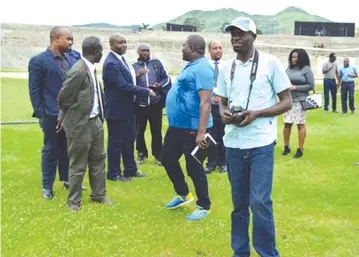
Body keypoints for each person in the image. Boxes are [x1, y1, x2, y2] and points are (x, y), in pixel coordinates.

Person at [217, 17, 292, 256]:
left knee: (259, 202)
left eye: (241, 33)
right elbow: (222, 101)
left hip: (260, 144)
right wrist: (224, 114)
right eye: (232, 33)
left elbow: (287, 102)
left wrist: (258, 113)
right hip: (234, 144)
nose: (235, 37)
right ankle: (240, 252)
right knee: (239, 204)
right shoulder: (225, 67)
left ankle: (267, 252)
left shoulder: (270, 63)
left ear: (253, 36)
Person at [161, 35, 214, 221]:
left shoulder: (204, 69)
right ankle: (183, 194)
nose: (181, 48)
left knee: (194, 168)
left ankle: (204, 205)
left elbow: (206, 102)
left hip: (193, 129)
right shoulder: (191, 66)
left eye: (183, 46)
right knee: (167, 159)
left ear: (192, 48)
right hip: (177, 127)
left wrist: (201, 132)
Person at [58, 36, 113, 212]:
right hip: (80, 125)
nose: (102, 54)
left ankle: (99, 194)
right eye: (101, 51)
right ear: (96, 52)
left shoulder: (91, 69)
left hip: (95, 122)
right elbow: (63, 97)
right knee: (78, 164)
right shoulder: (79, 71)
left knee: (98, 159)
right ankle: (74, 202)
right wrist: (67, 117)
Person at [28, 26, 75, 200]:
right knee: (50, 149)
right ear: (56, 38)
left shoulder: (69, 59)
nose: (70, 42)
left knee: (67, 148)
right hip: (50, 114)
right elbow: (34, 90)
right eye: (68, 39)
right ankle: (47, 186)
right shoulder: (38, 61)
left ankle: (67, 179)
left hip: (70, 114)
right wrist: (42, 114)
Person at [102, 34, 156, 182]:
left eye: (125, 42)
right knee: (116, 142)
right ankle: (113, 173)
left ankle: (130, 170)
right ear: (111, 44)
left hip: (128, 108)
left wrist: (138, 79)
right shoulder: (111, 63)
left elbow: (128, 81)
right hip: (117, 109)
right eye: (120, 43)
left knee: (129, 140)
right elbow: (121, 85)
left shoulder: (121, 60)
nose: (124, 45)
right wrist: (145, 91)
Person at [132, 43, 171, 165]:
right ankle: (141, 153)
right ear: (138, 52)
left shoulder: (156, 64)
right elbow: (129, 83)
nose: (145, 53)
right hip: (140, 104)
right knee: (139, 130)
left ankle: (158, 154)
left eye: (147, 50)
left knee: (156, 130)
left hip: (155, 103)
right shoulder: (133, 67)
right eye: (143, 50)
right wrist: (137, 76)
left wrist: (158, 85)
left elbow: (166, 78)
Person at [282, 49, 315, 158]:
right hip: (288, 100)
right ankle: (286, 147)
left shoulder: (306, 70)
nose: (293, 59)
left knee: (300, 124)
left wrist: (296, 87)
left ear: (301, 58)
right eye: (292, 57)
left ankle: (300, 149)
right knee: (287, 123)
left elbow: (311, 85)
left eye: (296, 57)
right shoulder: (289, 69)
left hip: (300, 101)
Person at [205, 40, 227, 174]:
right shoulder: (205, 66)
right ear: (209, 50)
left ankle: (223, 162)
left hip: (224, 106)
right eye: (214, 48)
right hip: (209, 105)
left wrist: (222, 97)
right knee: (211, 135)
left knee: (224, 134)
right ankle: (211, 163)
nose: (218, 50)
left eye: (220, 48)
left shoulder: (228, 66)